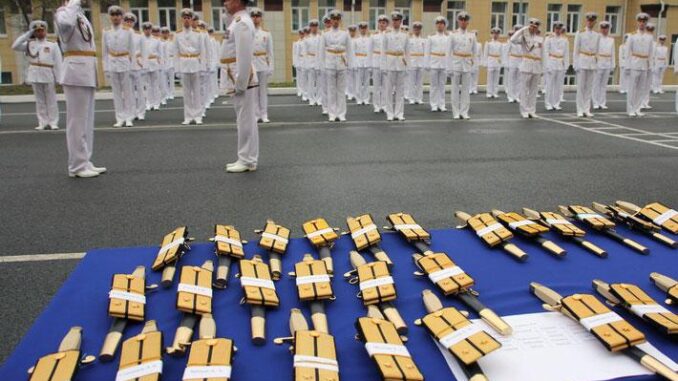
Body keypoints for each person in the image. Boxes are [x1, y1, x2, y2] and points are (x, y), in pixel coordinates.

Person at [55, 0, 105, 178]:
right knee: (77, 121)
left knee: (86, 121)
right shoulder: (63, 13)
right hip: (75, 72)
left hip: (85, 71)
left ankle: (85, 160)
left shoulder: (80, 15)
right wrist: (73, 2)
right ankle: (76, 165)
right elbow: (66, 24)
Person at [223, 0, 259, 173]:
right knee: (244, 119)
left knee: (245, 119)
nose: (225, 3)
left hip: (241, 77)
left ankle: (247, 159)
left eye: (228, 0)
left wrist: (240, 83)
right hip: (236, 75)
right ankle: (246, 157)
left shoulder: (241, 23)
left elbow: (243, 56)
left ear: (238, 2)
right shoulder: (236, 21)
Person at [12, 20, 62, 130]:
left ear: (45, 31)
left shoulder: (52, 45)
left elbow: (58, 62)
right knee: (39, 100)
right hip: (34, 74)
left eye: (41, 30)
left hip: (48, 73)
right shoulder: (29, 44)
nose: (40, 32)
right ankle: (43, 122)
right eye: (37, 31)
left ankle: (53, 122)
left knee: (51, 99)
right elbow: (15, 46)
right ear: (34, 32)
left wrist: (59, 78)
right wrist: (28, 34)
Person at [319, 9, 351, 122]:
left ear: (340, 20)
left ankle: (341, 113)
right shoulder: (325, 34)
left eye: (337, 19)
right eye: (333, 19)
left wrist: (350, 65)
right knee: (331, 90)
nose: (335, 21)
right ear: (330, 20)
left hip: (342, 63)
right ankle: (332, 113)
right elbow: (321, 51)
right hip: (330, 63)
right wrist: (322, 66)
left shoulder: (345, 33)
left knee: (341, 90)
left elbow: (349, 50)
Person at [175, 9, 206, 125]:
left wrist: (203, 67)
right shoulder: (177, 34)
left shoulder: (198, 34)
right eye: (185, 18)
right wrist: (177, 69)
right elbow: (176, 52)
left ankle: (198, 116)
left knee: (197, 92)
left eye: (189, 18)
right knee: (186, 93)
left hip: (195, 63)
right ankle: (188, 116)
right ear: (181, 19)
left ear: (191, 19)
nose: (186, 20)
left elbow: (202, 51)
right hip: (184, 63)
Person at [510, 18, 544, 119]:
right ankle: (524, 110)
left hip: (537, 65)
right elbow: (512, 39)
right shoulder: (524, 38)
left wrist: (543, 68)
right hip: (526, 65)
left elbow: (543, 54)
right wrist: (522, 29)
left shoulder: (540, 39)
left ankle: (532, 110)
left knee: (534, 90)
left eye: (535, 26)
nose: (533, 28)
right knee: (524, 89)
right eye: (531, 26)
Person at [449, 11, 477, 120]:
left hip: (467, 64)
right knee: (455, 89)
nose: (463, 22)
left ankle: (464, 112)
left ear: (468, 22)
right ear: (458, 21)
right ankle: (456, 112)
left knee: (466, 89)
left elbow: (474, 52)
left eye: (465, 20)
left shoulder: (472, 35)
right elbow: (448, 52)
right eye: (461, 20)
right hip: (456, 62)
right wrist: (449, 67)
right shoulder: (453, 35)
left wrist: (474, 66)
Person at [626, 13, 654, 117]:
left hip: (644, 64)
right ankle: (630, 109)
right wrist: (627, 66)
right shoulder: (632, 36)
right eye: (640, 21)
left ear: (646, 23)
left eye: (644, 22)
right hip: (634, 63)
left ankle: (637, 108)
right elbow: (628, 52)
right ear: (637, 22)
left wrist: (650, 66)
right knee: (632, 88)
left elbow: (651, 53)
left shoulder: (649, 37)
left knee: (641, 88)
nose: (642, 23)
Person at [382, 11, 408, 121]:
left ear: (401, 22)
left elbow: (408, 52)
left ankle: (399, 113)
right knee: (388, 90)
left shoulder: (405, 35)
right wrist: (383, 66)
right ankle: (390, 113)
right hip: (390, 63)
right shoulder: (387, 35)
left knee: (400, 90)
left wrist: (408, 66)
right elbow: (383, 51)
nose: (395, 22)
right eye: (394, 20)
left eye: (397, 20)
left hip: (401, 63)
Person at [573, 12, 600, 117]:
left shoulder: (597, 35)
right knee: (581, 87)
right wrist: (576, 64)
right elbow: (576, 50)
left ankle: (586, 109)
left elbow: (597, 51)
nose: (590, 22)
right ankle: (580, 109)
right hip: (582, 61)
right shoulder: (580, 33)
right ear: (586, 21)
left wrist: (596, 64)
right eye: (589, 20)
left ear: (594, 22)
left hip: (592, 61)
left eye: (592, 21)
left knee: (589, 87)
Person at [250, 8, 274, 123]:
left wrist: (271, 67)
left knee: (263, 91)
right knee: (253, 91)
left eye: (257, 16)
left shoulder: (266, 33)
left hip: (263, 63)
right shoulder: (248, 33)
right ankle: (255, 114)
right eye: (253, 16)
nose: (255, 18)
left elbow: (270, 52)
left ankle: (264, 114)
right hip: (252, 64)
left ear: (261, 18)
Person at [123, 13, 146, 121]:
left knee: (140, 90)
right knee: (129, 91)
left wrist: (143, 64)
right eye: (126, 21)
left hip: (137, 64)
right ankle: (131, 112)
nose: (128, 23)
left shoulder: (139, 35)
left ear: (133, 23)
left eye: (130, 22)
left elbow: (143, 51)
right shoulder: (121, 34)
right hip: (125, 64)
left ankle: (140, 112)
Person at [543, 21, 568, 110]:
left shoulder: (564, 39)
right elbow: (545, 52)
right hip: (552, 62)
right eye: (556, 28)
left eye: (559, 29)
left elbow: (566, 53)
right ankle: (548, 103)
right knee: (549, 85)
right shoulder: (549, 38)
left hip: (560, 62)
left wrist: (566, 65)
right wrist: (547, 65)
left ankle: (556, 103)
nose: (558, 30)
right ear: (554, 29)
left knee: (558, 85)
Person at [427, 16, 449, 112]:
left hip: (444, 63)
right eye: (438, 24)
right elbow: (427, 52)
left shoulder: (448, 38)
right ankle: (434, 104)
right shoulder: (431, 38)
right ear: (436, 25)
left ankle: (442, 104)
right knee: (434, 85)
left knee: (442, 85)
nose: (440, 25)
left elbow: (450, 53)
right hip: (434, 63)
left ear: (444, 25)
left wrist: (449, 64)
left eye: (442, 24)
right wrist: (427, 64)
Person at [593, 21, 615, 110]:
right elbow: (594, 51)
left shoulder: (611, 40)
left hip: (607, 62)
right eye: (603, 28)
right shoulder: (597, 38)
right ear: (600, 29)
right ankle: (595, 102)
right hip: (599, 62)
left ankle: (602, 102)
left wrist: (613, 64)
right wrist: (594, 63)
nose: (604, 30)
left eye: (606, 28)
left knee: (604, 84)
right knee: (596, 84)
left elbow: (613, 53)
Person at [371, 15, 388, 113]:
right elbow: (370, 50)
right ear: (378, 24)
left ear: (386, 24)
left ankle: (384, 105)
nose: (382, 24)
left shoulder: (389, 36)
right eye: (380, 23)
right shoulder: (374, 36)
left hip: (386, 62)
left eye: (384, 23)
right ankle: (377, 105)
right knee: (376, 86)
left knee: (385, 86)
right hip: (376, 62)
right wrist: (370, 64)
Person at [406, 21, 425, 105]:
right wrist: (407, 62)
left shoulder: (424, 40)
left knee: (420, 82)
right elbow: (406, 52)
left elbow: (425, 52)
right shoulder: (409, 40)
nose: (417, 30)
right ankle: (411, 98)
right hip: (412, 62)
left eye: (419, 29)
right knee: (411, 81)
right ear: (413, 30)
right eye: (416, 29)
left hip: (421, 62)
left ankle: (419, 98)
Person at [353, 22, 371, 105]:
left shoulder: (370, 40)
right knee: (358, 82)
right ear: (359, 29)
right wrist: (354, 64)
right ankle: (359, 98)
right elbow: (353, 53)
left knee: (367, 82)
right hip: (359, 62)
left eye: (364, 28)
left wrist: (371, 64)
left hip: (367, 62)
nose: (363, 30)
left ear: (366, 29)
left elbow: (371, 52)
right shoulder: (356, 40)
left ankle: (366, 98)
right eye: (361, 28)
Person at [640, 22, 656, 110]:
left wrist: (654, 65)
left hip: (651, 65)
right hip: (644, 64)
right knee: (642, 84)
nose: (650, 32)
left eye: (651, 30)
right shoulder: (644, 41)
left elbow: (655, 56)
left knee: (648, 85)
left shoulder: (654, 43)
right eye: (648, 30)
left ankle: (646, 102)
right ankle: (641, 102)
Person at [483, 27, 503, 99]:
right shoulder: (488, 43)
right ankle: (489, 92)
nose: (495, 35)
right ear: (492, 34)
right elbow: (485, 53)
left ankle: (495, 92)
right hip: (490, 60)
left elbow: (501, 54)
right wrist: (485, 63)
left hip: (497, 61)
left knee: (496, 78)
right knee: (490, 78)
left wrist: (501, 63)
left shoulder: (500, 44)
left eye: (497, 34)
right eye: (494, 33)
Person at [304, 21, 321, 106]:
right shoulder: (307, 39)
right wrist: (306, 65)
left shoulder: (321, 38)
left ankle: (318, 98)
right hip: (310, 61)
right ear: (310, 27)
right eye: (312, 26)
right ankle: (311, 99)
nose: (314, 28)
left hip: (319, 62)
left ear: (317, 27)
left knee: (319, 82)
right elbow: (305, 53)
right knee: (311, 82)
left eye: (315, 26)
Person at [505, 24, 523, 103]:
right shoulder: (511, 40)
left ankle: (517, 96)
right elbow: (506, 52)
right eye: (517, 30)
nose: (518, 31)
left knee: (519, 79)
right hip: (512, 59)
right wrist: (506, 63)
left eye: (519, 30)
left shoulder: (523, 40)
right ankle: (510, 96)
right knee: (511, 79)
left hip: (521, 60)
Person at [319, 16, 332, 115]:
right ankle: (325, 107)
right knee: (324, 87)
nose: (328, 24)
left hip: (332, 62)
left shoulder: (336, 34)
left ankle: (332, 107)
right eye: (327, 22)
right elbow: (319, 51)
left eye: (329, 22)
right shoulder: (321, 34)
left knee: (332, 87)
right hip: (324, 62)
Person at [161, 27, 176, 102]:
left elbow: (175, 53)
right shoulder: (160, 43)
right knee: (164, 80)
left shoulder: (171, 43)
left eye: (166, 33)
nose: (165, 34)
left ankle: (172, 93)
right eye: (163, 33)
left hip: (170, 61)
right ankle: (166, 94)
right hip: (163, 62)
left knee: (171, 79)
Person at [346, 25, 358, 101]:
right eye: (351, 31)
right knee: (349, 79)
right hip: (349, 61)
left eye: (353, 31)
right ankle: (350, 93)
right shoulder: (347, 41)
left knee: (356, 79)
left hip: (356, 61)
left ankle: (355, 93)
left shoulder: (357, 40)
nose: (352, 33)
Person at [293, 29, 305, 97]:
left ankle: (304, 91)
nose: (301, 35)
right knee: (299, 77)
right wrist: (294, 62)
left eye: (302, 34)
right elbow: (294, 53)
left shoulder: (306, 41)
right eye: (300, 34)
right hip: (299, 60)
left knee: (304, 77)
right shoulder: (296, 43)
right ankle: (299, 90)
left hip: (305, 60)